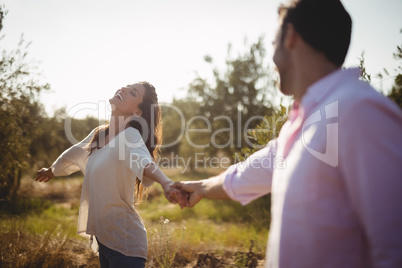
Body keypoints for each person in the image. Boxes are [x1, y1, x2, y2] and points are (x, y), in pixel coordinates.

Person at [173, 0, 402, 267]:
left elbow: (395, 248)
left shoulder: (359, 111)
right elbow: (247, 174)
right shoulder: (300, 125)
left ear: (290, 37)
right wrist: (200, 187)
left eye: (272, 45)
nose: (271, 59)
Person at [36, 81, 188, 268]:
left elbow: (144, 162)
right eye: (126, 86)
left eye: (132, 92)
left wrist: (166, 183)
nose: (123, 89)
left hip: (126, 243)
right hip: (105, 241)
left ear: (137, 113)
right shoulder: (99, 135)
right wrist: (51, 171)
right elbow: (73, 154)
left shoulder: (130, 135)